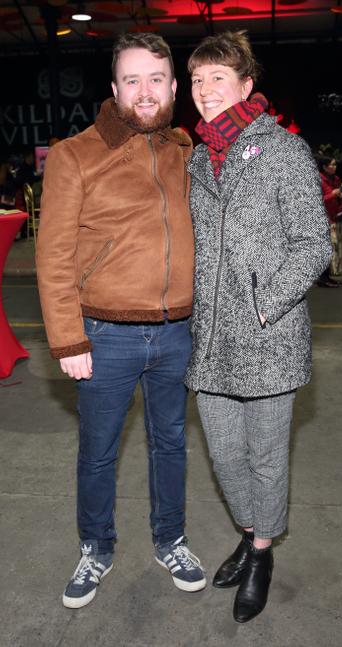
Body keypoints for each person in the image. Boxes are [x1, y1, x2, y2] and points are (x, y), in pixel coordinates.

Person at [36, 32, 206, 610]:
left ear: (173, 87)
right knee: (99, 452)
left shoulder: (184, 148)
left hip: (177, 332)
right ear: (114, 88)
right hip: (103, 335)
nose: (144, 90)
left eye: (156, 78)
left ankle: (170, 539)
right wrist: (66, 338)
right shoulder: (75, 154)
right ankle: (96, 546)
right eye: (131, 79)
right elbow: (53, 255)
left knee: (171, 445)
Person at [184, 31, 332, 624]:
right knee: (224, 456)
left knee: (267, 456)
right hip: (213, 339)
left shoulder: (284, 152)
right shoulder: (198, 157)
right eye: (196, 80)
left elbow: (314, 243)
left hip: (269, 338)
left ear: (247, 86)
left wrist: (265, 305)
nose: (204, 91)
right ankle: (250, 533)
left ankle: (262, 553)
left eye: (218, 78)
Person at [317, 155, 342, 286]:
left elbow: (339, 198)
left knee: (334, 248)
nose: (334, 167)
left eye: (335, 165)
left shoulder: (336, 179)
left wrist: (341, 196)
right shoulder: (318, 180)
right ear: (324, 167)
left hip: (335, 217)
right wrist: (332, 195)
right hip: (323, 219)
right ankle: (323, 278)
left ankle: (327, 277)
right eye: (332, 165)